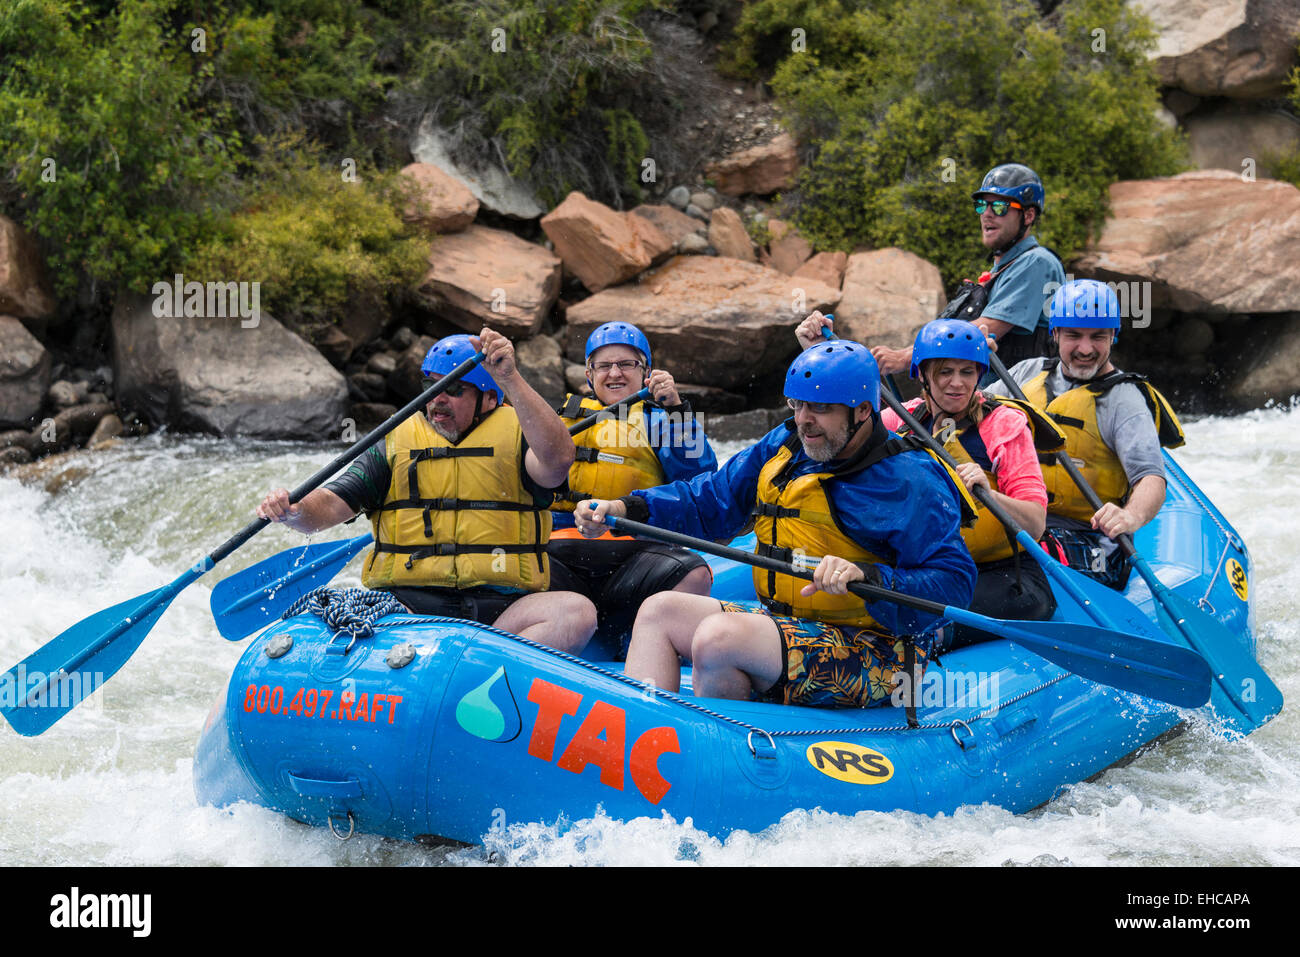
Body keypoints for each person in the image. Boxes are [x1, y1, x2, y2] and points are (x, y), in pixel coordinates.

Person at [573, 340, 976, 709]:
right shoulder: (787, 446)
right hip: (787, 627)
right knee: (659, 610)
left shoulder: (911, 479)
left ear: (862, 411)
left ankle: (727, 761)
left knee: (718, 638)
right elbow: (713, 499)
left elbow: (954, 584)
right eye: (797, 405)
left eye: (820, 408)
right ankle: (644, 736)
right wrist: (629, 508)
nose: (804, 421)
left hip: (880, 652)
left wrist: (871, 577)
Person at [256, 329, 597, 653]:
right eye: (430, 387)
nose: (438, 399)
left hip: (500, 616)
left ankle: (475, 675)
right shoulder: (395, 442)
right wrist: (296, 510)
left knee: (575, 613)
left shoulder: (523, 436)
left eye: (454, 389)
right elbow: (330, 505)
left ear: (490, 398)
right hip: (410, 609)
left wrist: (510, 378)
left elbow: (558, 461)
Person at [801, 314, 1064, 649]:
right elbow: (840, 430)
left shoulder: (1004, 425)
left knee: (1028, 603)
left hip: (999, 571)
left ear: (979, 374)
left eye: (967, 372)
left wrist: (990, 498)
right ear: (922, 376)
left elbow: (1036, 523)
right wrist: (817, 354)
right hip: (923, 570)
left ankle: (926, 640)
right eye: (944, 372)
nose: (957, 383)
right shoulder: (900, 419)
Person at [983, 279, 1184, 589]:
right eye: (1074, 335)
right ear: (1055, 334)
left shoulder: (1125, 399)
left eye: (1098, 337)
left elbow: (1151, 478)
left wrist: (1129, 517)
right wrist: (971, 356)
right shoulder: (1026, 374)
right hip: (1020, 517)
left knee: (1027, 556)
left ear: (1113, 337)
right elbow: (971, 410)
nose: (1086, 348)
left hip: (1089, 539)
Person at [547, 321, 718, 656]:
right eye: (604, 365)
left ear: (647, 373)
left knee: (694, 573)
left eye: (627, 364)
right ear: (588, 374)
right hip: (562, 552)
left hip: (635, 555)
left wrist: (677, 410)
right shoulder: (560, 420)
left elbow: (703, 483)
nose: (615, 373)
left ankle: (641, 641)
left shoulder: (662, 420)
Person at [873, 163, 1065, 381]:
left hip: (1015, 407)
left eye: (1000, 207)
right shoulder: (1004, 269)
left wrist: (906, 356)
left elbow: (984, 329)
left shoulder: (1037, 262)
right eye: (982, 205)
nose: (987, 214)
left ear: (1028, 215)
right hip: (982, 402)